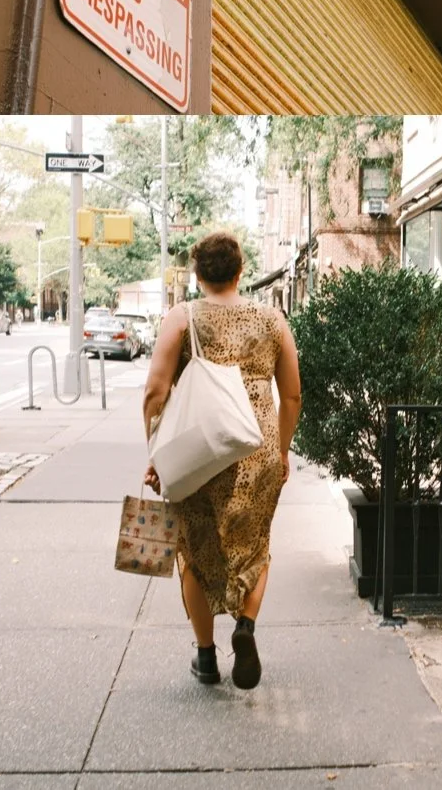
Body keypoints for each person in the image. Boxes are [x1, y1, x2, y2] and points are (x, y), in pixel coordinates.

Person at [141, 231, 303, 690]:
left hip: (196, 452)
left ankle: (207, 657)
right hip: (257, 450)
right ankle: (245, 626)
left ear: (197, 274)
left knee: (194, 552)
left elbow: (155, 392)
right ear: (240, 270)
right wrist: (282, 448)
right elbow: (292, 394)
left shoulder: (182, 317)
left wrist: (154, 452)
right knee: (255, 546)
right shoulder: (272, 320)